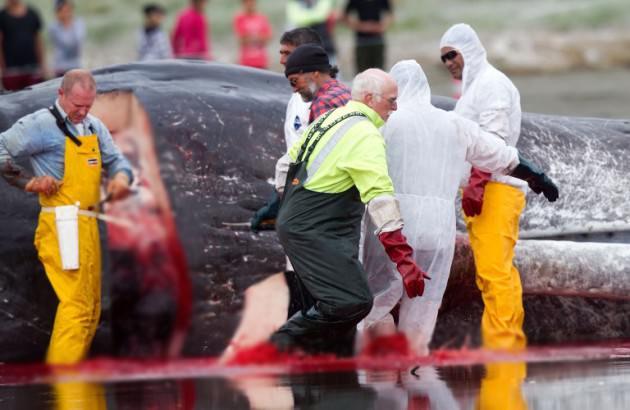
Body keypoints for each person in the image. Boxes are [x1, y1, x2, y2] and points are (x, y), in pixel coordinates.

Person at [358, 60, 559, 355]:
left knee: (377, 300)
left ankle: (379, 375)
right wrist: (537, 178)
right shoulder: (453, 123)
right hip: (438, 230)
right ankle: (413, 366)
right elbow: (501, 155)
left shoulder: (384, 122)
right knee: (424, 306)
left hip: (393, 224)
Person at [270, 68, 429, 356]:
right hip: (315, 230)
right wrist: (404, 260)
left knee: (324, 304)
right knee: (351, 301)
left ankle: (317, 368)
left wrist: (289, 207)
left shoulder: (331, 118)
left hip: (299, 222)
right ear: (370, 98)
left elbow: (284, 166)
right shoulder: (365, 135)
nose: (395, 108)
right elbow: (380, 197)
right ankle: (276, 349)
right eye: (391, 101)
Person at [0, 69, 133, 364]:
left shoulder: (94, 127)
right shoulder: (40, 124)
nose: (82, 112)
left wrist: (121, 178)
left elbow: (116, 160)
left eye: (88, 105)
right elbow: (1, 148)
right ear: (61, 94)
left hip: (87, 224)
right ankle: (62, 382)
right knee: (76, 306)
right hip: (61, 224)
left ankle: (74, 386)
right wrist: (28, 181)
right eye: (77, 105)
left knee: (92, 307)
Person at [440, 23, 531, 351]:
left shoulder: (492, 85)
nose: (449, 62)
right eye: (444, 58)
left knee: (496, 273)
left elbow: (494, 140)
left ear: (470, 49)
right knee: (491, 274)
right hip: (482, 191)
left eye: (453, 54)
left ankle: (505, 347)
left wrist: (477, 182)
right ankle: (503, 344)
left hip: (495, 189)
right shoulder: (474, 88)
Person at [0, 0, 45, 90]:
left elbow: (38, 41)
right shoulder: (2, 16)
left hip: (32, 67)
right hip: (12, 70)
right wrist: (3, 68)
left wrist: (42, 65)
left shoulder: (32, 13)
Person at [342, 0, 392, 74]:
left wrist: (381, 27)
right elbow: (345, 15)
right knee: (362, 72)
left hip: (377, 40)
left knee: (379, 72)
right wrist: (360, 26)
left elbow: (390, 15)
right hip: (361, 41)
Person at [48, 0, 85, 77]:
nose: (66, 13)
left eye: (68, 9)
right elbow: (65, 43)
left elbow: (78, 41)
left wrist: (69, 23)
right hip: (60, 67)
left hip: (76, 64)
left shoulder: (79, 23)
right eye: (62, 10)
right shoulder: (53, 27)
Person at [233, 0, 272, 69]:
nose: (250, 4)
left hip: (261, 61)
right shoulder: (239, 18)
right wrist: (258, 37)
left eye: (252, 1)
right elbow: (241, 41)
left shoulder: (262, 17)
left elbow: (268, 38)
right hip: (246, 62)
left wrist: (250, 37)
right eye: (247, 2)